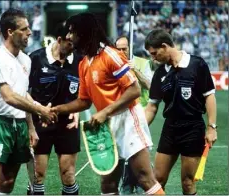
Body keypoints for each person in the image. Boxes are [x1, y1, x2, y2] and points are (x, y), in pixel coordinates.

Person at [51, 13, 165, 195]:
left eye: (72, 32)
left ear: (84, 33)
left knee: (144, 177)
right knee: (108, 183)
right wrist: (58, 109)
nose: (69, 37)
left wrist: (105, 112)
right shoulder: (84, 63)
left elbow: (134, 89)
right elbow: (84, 101)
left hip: (128, 118)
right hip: (108, 124)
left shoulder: (111, 55)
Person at [0, 8, 57, 195]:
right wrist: (41, 111)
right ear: (10, 32)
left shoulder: (26, 60)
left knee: (8, 183)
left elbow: (22, 94)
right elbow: (9, 96)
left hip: (19, 125)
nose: (30, 32)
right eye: (24, 29)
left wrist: (31, 127)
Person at [144, 29, 217, 195]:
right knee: (157, 180)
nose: (153, 58)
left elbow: (209, 96)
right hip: (170, 129)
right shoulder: (160, 73)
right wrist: (138, 127)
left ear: (164, 46)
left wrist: (211, 127)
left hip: (193, 128)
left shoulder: (197, 64)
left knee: (187, 182)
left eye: (154, 53)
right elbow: (151, 107)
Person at [26, 22, 83, 195]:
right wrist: (39, 109)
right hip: (40, 124)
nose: (73, 47)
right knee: (38, 175)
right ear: (59, 40)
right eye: (70, 43)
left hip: (67, 125)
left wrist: (77, 110)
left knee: (68, 175)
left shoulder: (80, 61)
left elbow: (85, 91)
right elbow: (22, 91)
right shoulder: (35, 58)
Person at [115, 36, 153, 195]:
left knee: (137, 149)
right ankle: (130, 181)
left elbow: (150, 86)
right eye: (119, 49)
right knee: (124, 150)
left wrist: (135, 70)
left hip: (140, 112)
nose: (122, 51)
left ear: (129, 48)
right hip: (120, 113)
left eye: (125, 48)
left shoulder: (141, 63)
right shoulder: (111, 63)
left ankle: (134, 182)